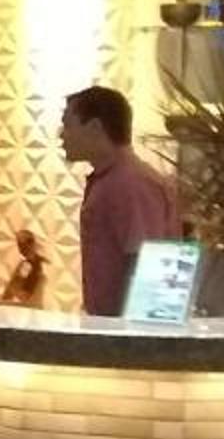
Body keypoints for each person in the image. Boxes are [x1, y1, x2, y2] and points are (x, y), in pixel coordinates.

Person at [59, 85, 180, 317]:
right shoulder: (112, 180)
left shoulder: (130, 183)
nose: (62, 135)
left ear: (95, 128)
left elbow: (148, 267)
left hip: (126, 333)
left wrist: (124, 334)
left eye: (67, 125)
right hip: (112, 328)